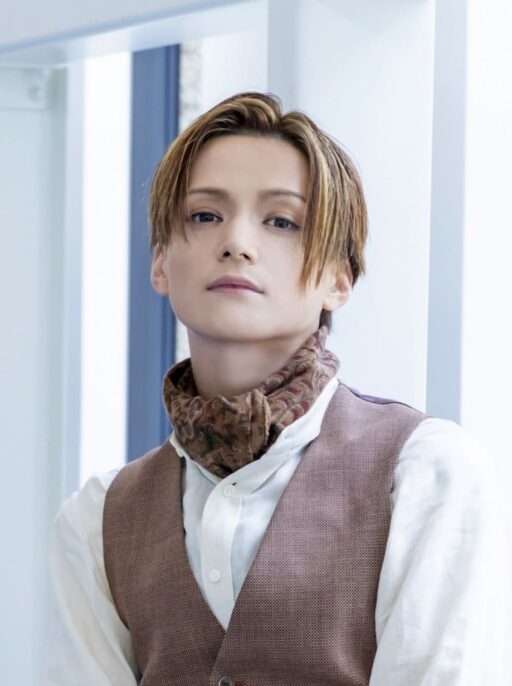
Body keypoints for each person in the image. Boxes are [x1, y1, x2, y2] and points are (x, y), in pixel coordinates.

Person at [45, 91, 511, 685]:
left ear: (339, 278)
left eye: (281, 222)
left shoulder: (424, 474)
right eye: (204, 216)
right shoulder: (97, 519)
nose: (236, 242)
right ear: (160, 262)